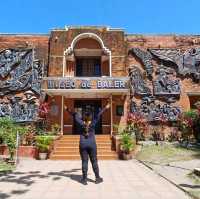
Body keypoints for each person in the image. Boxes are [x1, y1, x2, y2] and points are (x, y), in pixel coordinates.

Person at [64, 102, 110, 185]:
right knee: (94, 161)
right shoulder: (93, 123)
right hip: (92, 145)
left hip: (83, 145)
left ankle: (84, 179)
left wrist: (67, 109)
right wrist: (106, 107)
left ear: (83, 117)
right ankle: (97, 178)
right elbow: (98, 114)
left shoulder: (81, 123)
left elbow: (74, 115)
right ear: (91, 117)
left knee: (84, 161)